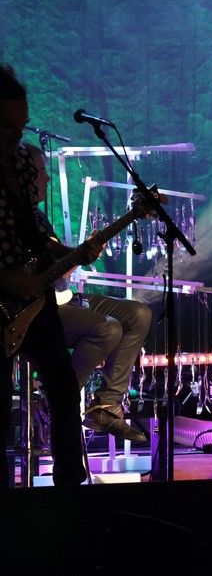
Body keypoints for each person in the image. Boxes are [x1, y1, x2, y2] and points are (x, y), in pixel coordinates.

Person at [0, 64, 103, 487]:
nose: (16, 136)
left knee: (63, 386)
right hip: (5, 293)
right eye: (7, 127)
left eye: (21, 125)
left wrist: (74, 253)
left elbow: (36, 235)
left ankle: (70, 486)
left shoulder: (23, 163)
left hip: (32, 299)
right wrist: (6, 280)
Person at [22, 143, 151, 443]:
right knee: (108, 329)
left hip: (64, 297)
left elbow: (56, 265)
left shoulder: (38, 218)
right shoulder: (14, 219)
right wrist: (74, 257)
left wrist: (80, 254)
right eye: (42, 172)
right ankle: (52, 402)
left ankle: (105, 405)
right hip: (39, 310)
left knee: (139, 314)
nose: (48, 179)